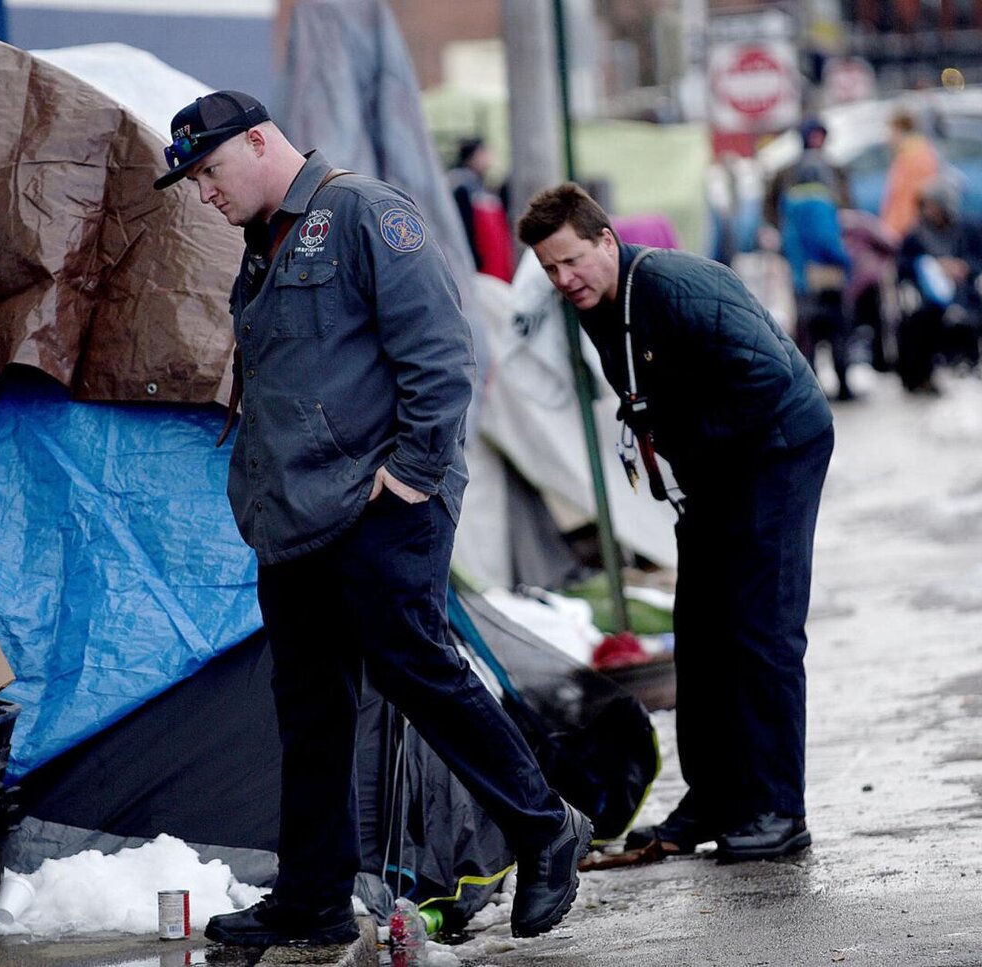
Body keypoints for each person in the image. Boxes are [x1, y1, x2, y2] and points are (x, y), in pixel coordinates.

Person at [152, 92, 591, 947]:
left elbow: (441, 351)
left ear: (257, 142)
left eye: (207, 172)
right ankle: (313, 898)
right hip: (296, 518)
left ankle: (545, 828)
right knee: (309, 708)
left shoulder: (363, 214)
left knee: (416, 667)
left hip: (378, 501)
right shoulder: (262, 245)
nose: (203, 193)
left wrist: (415, 474)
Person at [517, 183, 834, 864]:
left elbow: (769, 378)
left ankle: (781, 808)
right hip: (718, 465)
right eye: (549, 269)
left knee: (762, 631)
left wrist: (692, 442)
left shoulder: (669, 285)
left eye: (571, 260)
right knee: (702, 631)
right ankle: (714, 796)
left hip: (778, 446)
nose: (563, 279)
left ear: (607, 239)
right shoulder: (599, 301)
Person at [764, 118, 856, 400]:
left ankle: (810, 387)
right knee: (836, 330)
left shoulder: (790, 200)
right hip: (826, 274)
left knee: (807, 332)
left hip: (801, 273)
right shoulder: (817, 196)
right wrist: (846, 260)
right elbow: (830, 235)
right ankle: (840, 383)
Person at [894, 179, 982, 394]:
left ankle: (969, 365)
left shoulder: (967, 228)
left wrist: (963, 268)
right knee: (916, 322)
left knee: (969, 315)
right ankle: (922, 377)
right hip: (928, 299)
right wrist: (932, 267)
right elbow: (902, 267)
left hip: (964, 293)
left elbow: (981, 260)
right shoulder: (916, 235)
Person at [447, 136, 515, 281]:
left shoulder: (479, 184)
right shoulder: (461, 186)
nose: (489, 158)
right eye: (484, 153)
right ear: (474, 156)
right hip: (480, 263)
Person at [879, 109, 941, 240]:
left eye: (890, 131)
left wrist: (893, 230)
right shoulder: (907, 155)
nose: (887, 137)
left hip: (906, 232)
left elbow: (910, 200)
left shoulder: (915, 157)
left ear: (899, 130)